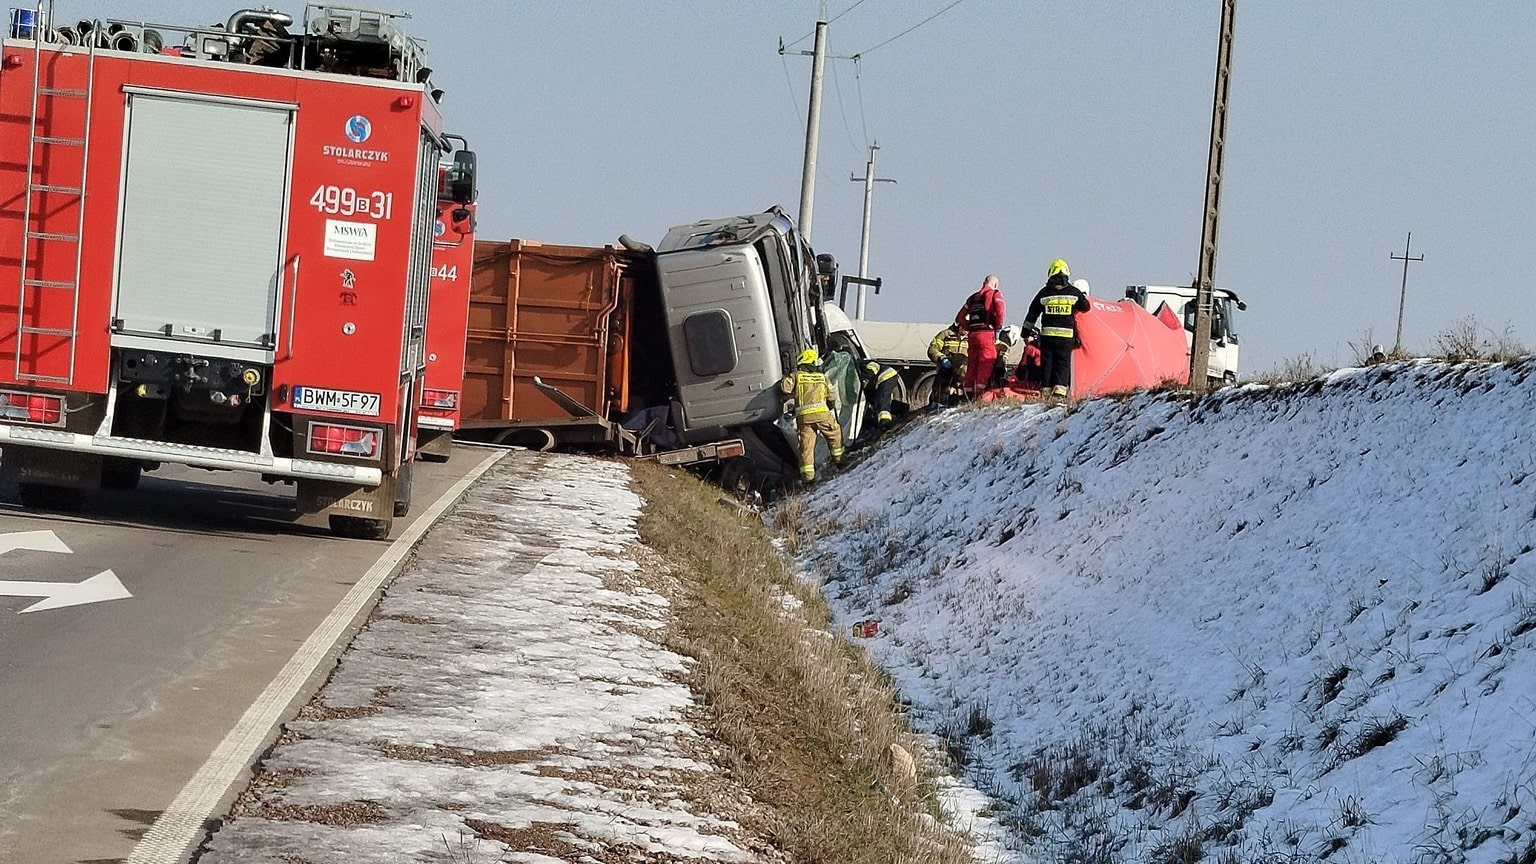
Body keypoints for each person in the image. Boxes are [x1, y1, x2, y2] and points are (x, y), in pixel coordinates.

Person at [1022, 259, 1090, 403]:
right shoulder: (1073, 292)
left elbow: (1032, 314)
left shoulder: (1044, 293)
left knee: (1047, 364)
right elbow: (1086, 306)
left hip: (1048, 337)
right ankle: (1059, 393)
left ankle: (1046, 392)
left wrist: (1025, 333)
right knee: (1062, 363)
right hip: (1066, 337)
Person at [779, 347, 844, 483]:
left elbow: (785, 388)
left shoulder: (797, 376)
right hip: (822, 415)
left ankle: (808, 478)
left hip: (804, 418)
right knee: (834, 435)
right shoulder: (822, 377)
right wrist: (830, 406)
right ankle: (840, 461)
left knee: (806, 447)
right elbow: (831, 396)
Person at [955, 274, 1005, 398]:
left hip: (973, 335)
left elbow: (959, 317)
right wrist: (998, 327)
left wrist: (969, 327)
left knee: (972, 364)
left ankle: (968, 394)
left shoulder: (972, 298)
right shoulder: (995, 294)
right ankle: (980, 395)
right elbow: (1000, 312)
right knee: (985, 362)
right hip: (987, 334)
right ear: (995, 284)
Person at [927, 322, 968, 405]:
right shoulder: (946, 335)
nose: (966, 330)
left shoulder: (973, 337)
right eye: (964, 326)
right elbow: (932, 349)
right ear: (959, 324)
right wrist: (942, 358)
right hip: (945, 373)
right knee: (939, 396)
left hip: (962, 375)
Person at [859, 359, 901, 427]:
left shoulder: (862, 364)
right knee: (875, 400)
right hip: (881, 380)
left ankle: (885, 421)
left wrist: (866, 375)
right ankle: (901, 409)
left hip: (887, 376)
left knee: (882, 398)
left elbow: (874, 366)